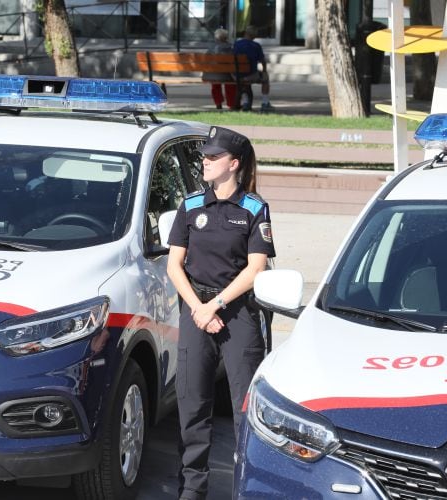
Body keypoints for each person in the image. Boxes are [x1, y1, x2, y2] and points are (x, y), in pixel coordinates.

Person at [166, 126, 274, 500]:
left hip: (237, 312)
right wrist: (199, 308)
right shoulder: (191, 206)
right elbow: (174, 266)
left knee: (245, 409)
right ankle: (192, 491)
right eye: (205, 157)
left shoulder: (254, 209)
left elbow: (256, 268)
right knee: (192, 404)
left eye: (213, 157)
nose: (205, 162)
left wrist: (216, 305)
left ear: (234, 164)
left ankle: (248, 487)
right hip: (196, 310)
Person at [233, 26, 272, 111]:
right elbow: (262, 61)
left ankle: (246, 101)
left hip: (237, 75)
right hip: (251, 74)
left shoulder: (236, 44)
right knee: (265, 78)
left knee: (244, 81)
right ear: (254, 36)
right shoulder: (256, 46)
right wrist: (264, 71)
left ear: (245, 33)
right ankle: (265, 102)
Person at [203, 28, 238, 110]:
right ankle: (231, 104)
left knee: (215, 84)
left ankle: (218, 103)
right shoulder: (231, 48)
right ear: (226, 38)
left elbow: (205, 60)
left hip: (212, 75)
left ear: (216, 38)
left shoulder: (211, 48)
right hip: (227, 75)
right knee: (231, 84)